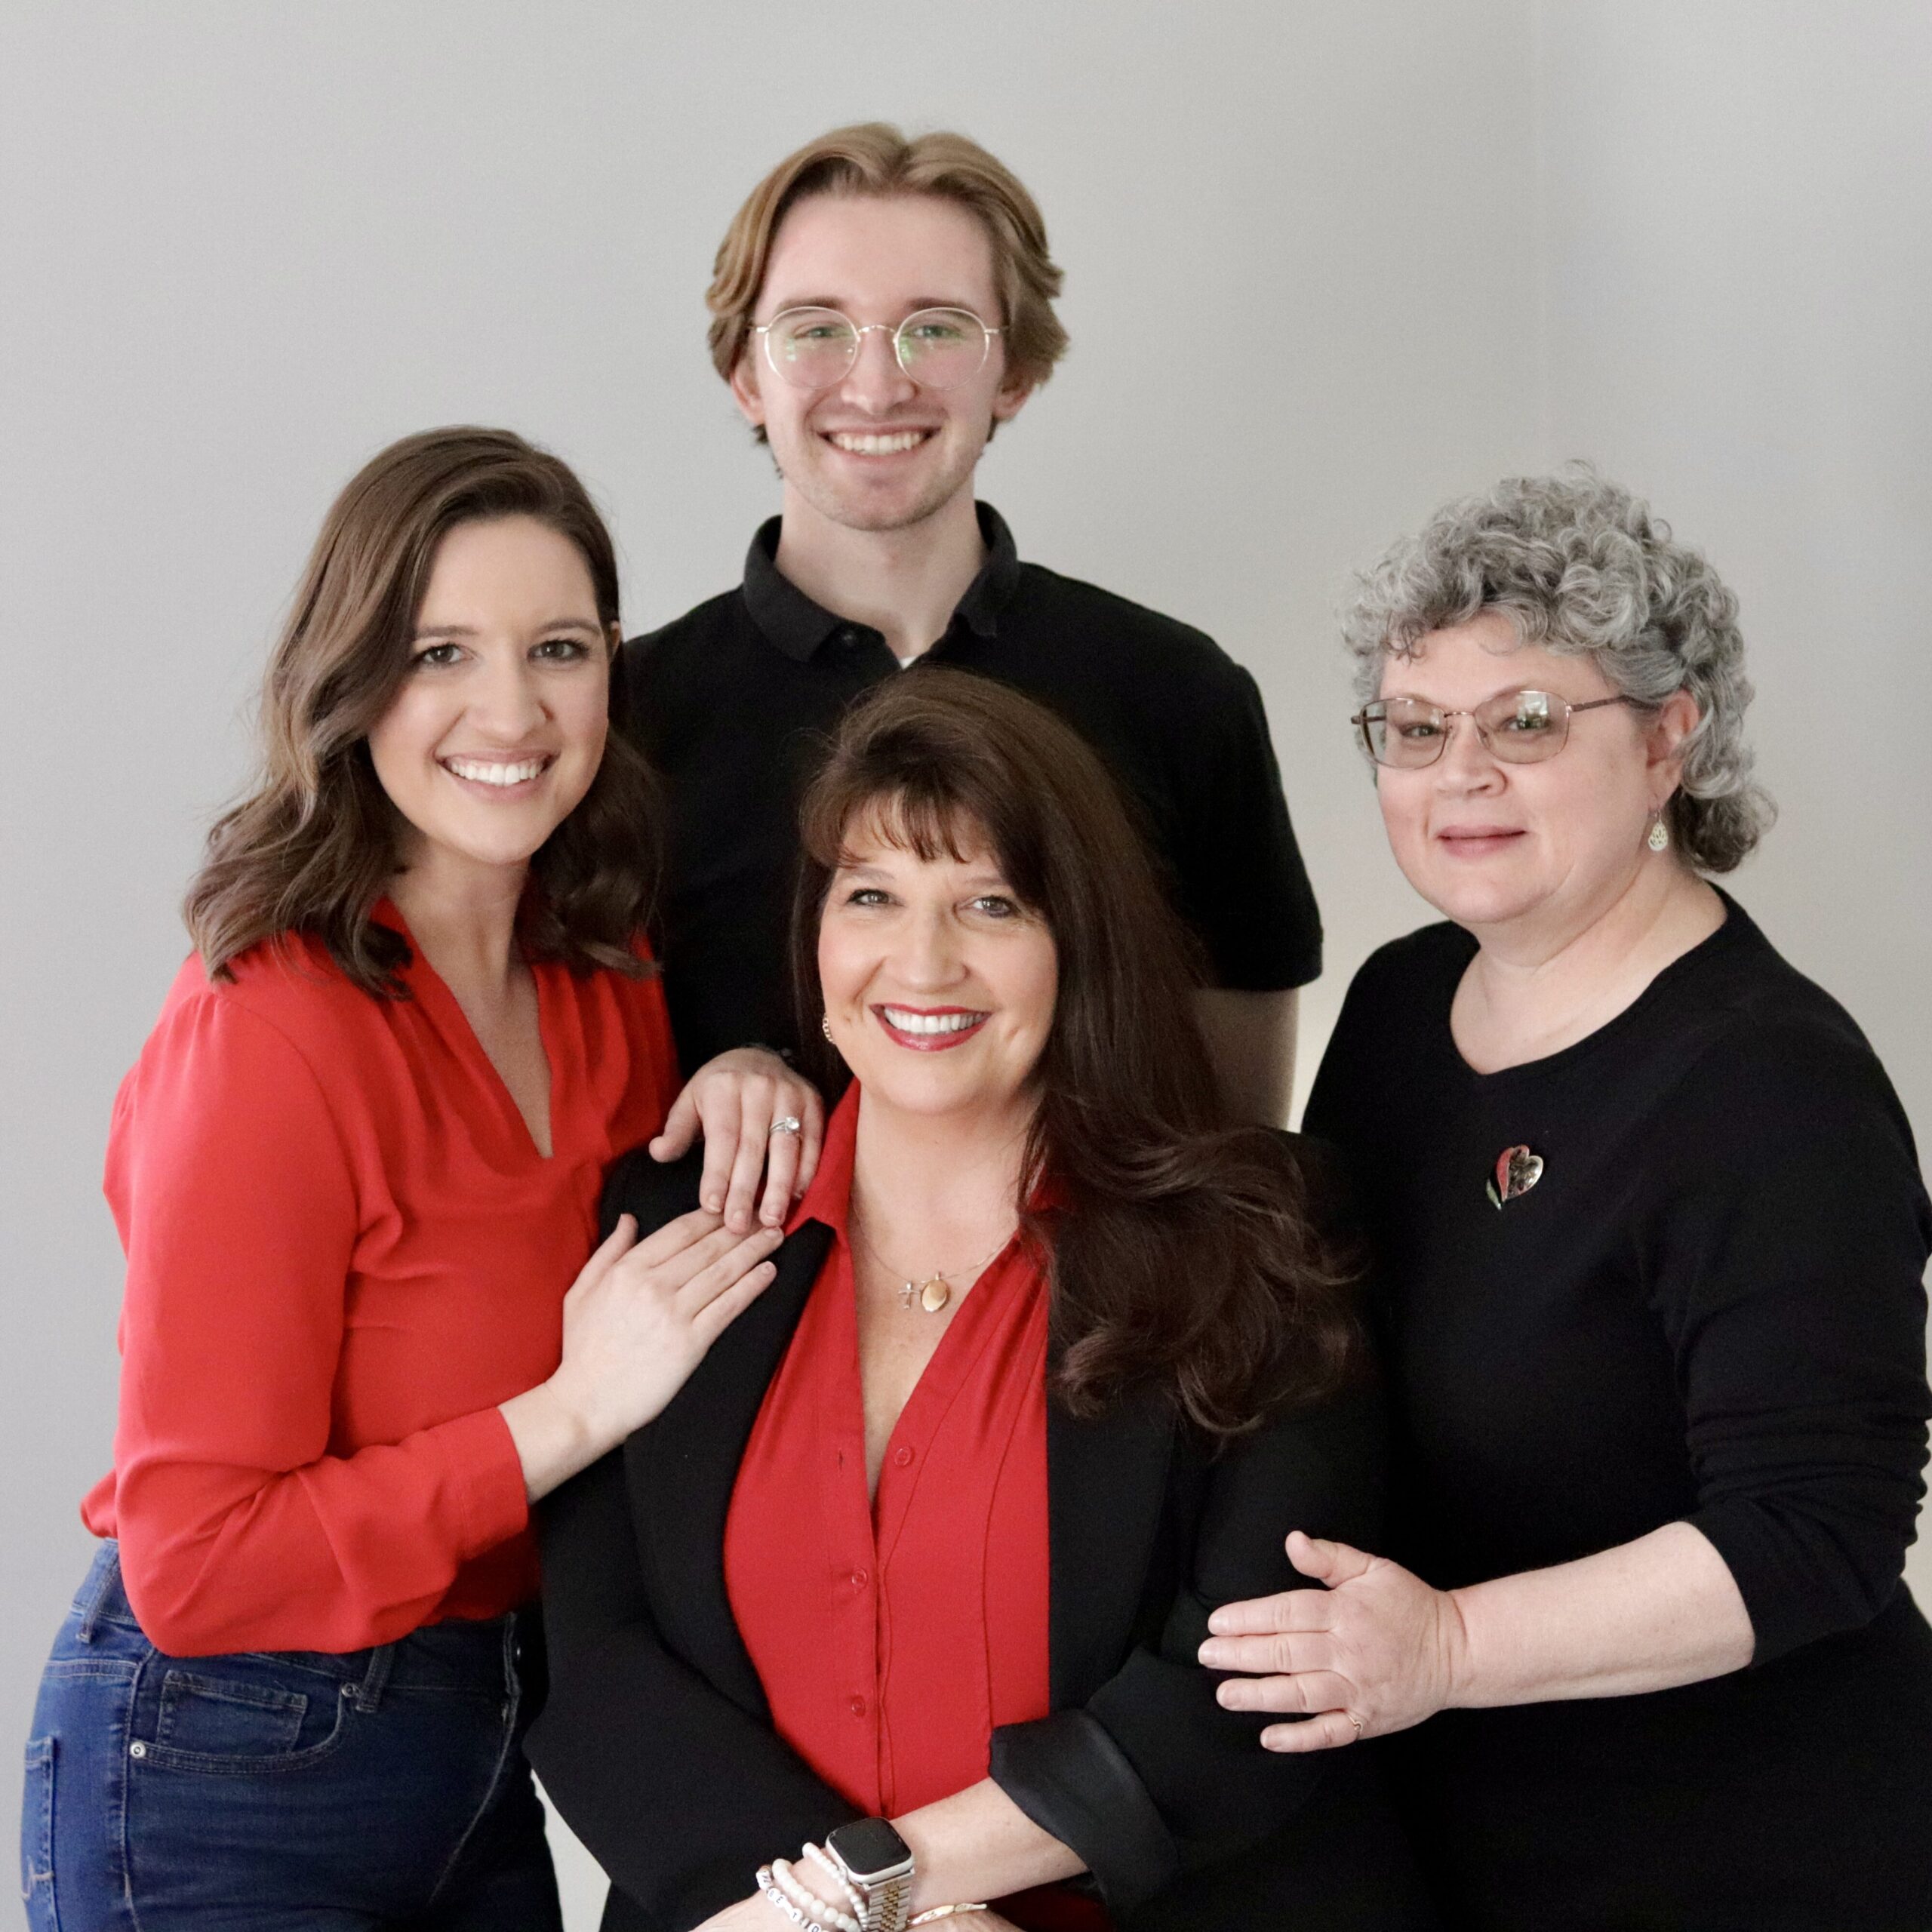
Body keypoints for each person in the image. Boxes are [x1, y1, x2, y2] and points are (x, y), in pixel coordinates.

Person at [20, 427, 789, 1930]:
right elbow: (198, 1560)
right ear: (355, 676)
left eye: (557, 647)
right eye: (443, 651)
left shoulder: (604, 979)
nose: (511, 708)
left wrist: (745, 1064)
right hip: (225, 1757)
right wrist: (569, 1407)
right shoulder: (271, 1027)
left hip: (489, 1726)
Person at [528, 671, 1435, 1931]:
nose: (924, 961)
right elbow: (592, 1657)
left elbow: (1257, 1682)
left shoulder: (1256, 1236)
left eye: (991, 903)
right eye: (872, 897)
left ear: (1079, 943)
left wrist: (878, 1892)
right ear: (817, 938)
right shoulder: (683, 1219)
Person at [1198, 470, 1932, 1930]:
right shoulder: (1404, 1004)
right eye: (1416, 728)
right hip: (1458, 1832)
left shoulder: (1771, 1085)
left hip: (1747, 1856)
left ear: (1671, 742)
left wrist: (1452, 1645)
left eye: (1527, 722)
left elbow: (1816, 1537)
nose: (1458, 773)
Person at [625, 121, 1321, 1133]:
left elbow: (1240, 1147)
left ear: (1016, 373)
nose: (876, 385)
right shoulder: (623, 722)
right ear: (745, 374)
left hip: (1099, 1294)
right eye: (817, 328)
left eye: (937, 328)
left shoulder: (1181, 696)